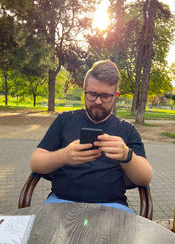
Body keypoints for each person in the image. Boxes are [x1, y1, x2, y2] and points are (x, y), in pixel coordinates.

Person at [30, 59, 152, 212]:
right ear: (84, 90)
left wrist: (127, 155)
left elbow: (145, 177)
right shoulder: (64, 121)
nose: (98, 101)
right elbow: (35, 162)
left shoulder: (127, 129)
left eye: (106, 96)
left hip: (112, 206)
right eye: (92, 94)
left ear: (116, 95)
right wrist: (64, 156)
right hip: (60, 202)